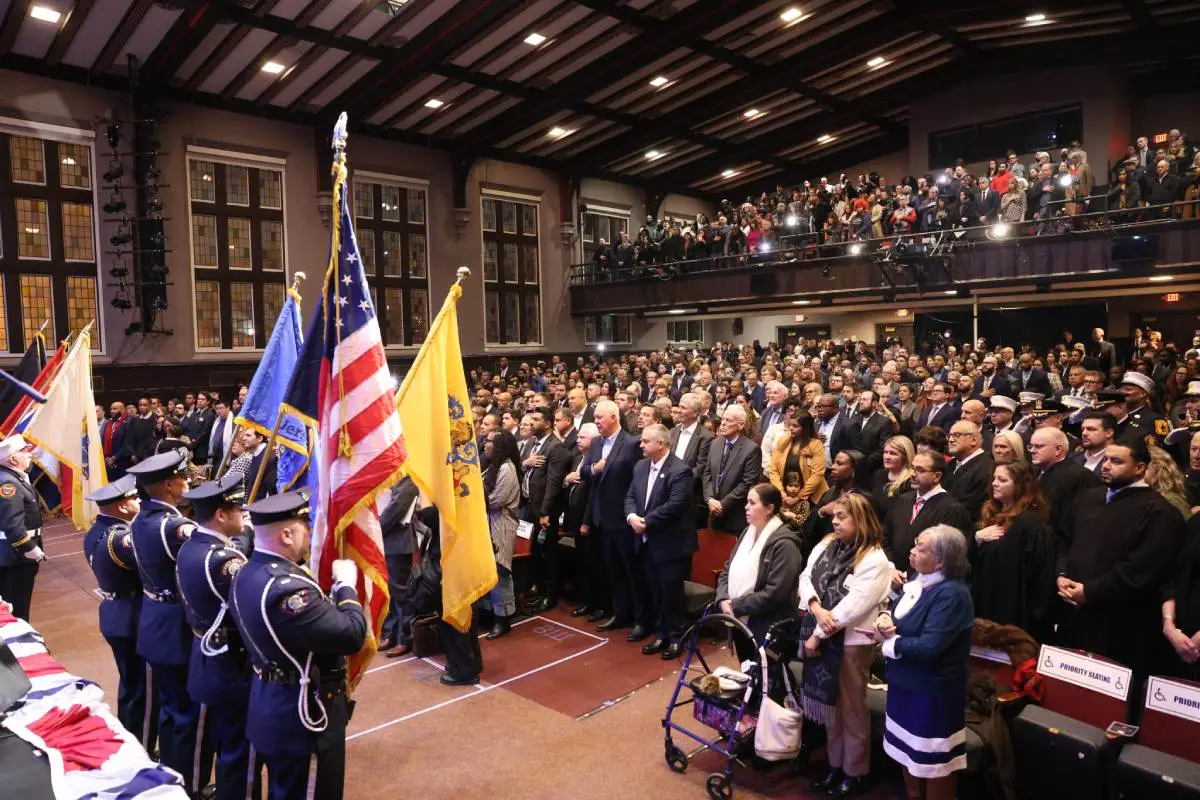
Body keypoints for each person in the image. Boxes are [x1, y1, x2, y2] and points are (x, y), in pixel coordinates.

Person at [228, 490, 366, 799]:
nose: (311, 533)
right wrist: (345, 587)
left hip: (268, 700)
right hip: (302, 717)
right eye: (305, 525)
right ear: (287, 535)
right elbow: (351, 634)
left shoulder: (246, 573)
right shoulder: (289, 593)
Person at [1057, 441, 1188, 678]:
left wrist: (1089, 591)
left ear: (1139, 468)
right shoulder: (1089, 498)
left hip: (1121, 624)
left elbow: (1141, 570)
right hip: (1074, 612)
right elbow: (1064, 540)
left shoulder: (1159, 512)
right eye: (1106, 459)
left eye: (1116, 461)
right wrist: (1061, 575)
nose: (1106, 466)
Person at [873, 525, 974, 800]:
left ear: (940, 560)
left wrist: (892, 644)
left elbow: (931, 645)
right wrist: (886, 618)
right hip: (905, 685)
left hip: (932, 693)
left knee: (933, 765)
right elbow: (901, 617)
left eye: (921, 548)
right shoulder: (921, 581)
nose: (912, 551)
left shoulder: (952, 594)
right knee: (908, 755)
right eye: (915, 545)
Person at [801, 493, 891, 798]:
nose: (836, 522)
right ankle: (835, 765)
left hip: (851, 643)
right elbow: (806, 577)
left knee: (852, 710)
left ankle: (855, 771)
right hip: (821, 630)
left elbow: (853, 606)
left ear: (861, 520)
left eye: (843, 517)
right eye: (835, 516)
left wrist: (817, 634)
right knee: (830, 708)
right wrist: (814, 606)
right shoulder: (827, 544)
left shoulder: (875, 558)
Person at [177, 475, 255, 800]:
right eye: (239, 510)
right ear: (221, 516)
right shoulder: (224, 560)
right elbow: (251, 601)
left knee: (223, 740)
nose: (244, 515)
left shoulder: (191, 546)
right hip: (231, 663)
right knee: (238, 749)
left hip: (206, 652)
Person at [127, 448, 200, 792]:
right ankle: (183, 784)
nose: (187, 481)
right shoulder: (173, 526)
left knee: (170, 709)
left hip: (154, 618)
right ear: (171, 485)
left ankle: (169, 771)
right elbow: (206, 555)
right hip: (176, 627)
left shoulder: (143, 517)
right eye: (183, 478)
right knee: (186, 713)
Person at [83, 475, 150, 745]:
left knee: (130, 684)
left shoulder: (95, 531)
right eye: (134, 498)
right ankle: (140, 746)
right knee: (141, 689)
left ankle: (131, 737)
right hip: (131, 614)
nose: (139, 501)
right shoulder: (121, 539)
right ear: (121, 507)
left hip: (114, 611)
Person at [624, 424, 696, 658]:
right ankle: (660, 634)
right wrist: (632, 516)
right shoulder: (640, 466)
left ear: (661, 444)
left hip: (671, 544)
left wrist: (646, 521)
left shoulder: (681, 470)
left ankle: (676, 637)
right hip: (645, 540)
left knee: (671, 592)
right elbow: (631, 495)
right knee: (654, 590)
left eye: (645, 441)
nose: (641, 445)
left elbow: (675, 505)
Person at [971, 463, 1056, 638]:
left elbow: (1041, 578)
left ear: (1020, 486)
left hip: (1013, 613)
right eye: (994, 478)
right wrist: (976, 539)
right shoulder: (991, 515)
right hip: (984, 604)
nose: (994, 483)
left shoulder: (1032, 526)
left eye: (1002, 480)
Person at [715, 483, 803, 645]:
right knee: (745, 667)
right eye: (747, 502)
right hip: (738, 619)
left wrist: (736, 605)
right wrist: (722, 599)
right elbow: (728, 569)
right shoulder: (747, 532)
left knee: (767, 670)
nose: (746, 507)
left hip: (768, 626)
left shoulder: (785, 544)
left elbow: (774, 592)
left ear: (769, 508)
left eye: (752, 503)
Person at [581, 400, 643, 633]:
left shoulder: (631, 443)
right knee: (613, 570)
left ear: (614, 418)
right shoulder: (596, 443)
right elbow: (586, 473)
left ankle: (639, 619)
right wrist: (594, 469)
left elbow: (636, 482)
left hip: (624, 518)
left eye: (599, 417)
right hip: (602, 519)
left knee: (631, 571)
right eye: (595, 417)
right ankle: (619, 613)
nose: (596, 421)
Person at [883, 452, 972, 586]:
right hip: (891, 577)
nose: (913, 474)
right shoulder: (903, 500)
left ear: (937, 476)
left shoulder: (951, 509)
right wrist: (890, 568)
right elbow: (885, 537)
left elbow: (946, 555)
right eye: (913, 468)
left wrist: (908, 577)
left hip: (927, 584)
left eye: (920, 470)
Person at [1029, 427, 1100, 558]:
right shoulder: (1036, 472)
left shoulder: (1079, 477)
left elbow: (1073, 525)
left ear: (1058, 449)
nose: (1032, 451)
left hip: (1056, 552)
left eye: (1038, 446)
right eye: (1031, 446)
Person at [0, 434, 46, 621]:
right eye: (24, 452)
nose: (29, 455)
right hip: (16, 556)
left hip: (11, 554)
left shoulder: (11, 478)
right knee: (17, 608)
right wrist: (29, 548)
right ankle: (19, 646)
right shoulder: (8, 483)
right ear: (13, 459)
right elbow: (13, 524)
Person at [481, 430, 521, 639]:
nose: (484, 444)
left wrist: (474, 500)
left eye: (488, 441)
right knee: (488, 571)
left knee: (500, 571)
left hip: (502, 525)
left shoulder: (507, 469)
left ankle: (503, 619)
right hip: (489, 524)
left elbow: (495, 501)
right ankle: (491, 612)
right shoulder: (492, 467)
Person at [702, 405, 763, 533]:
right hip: (713, 512)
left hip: (735, 515)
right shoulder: (715, 443)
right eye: (722, 419)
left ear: (740, 425)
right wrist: (710, 499)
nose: (722, 423)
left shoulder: (751, 449)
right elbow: (707, 473)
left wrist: (722, 505)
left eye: (728, 420)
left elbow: (747, 483)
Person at [379, 477, 420, 656]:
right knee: (391, 591)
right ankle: (390, 633)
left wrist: (375, 527)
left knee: (401, 592)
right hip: (389, 541)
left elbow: (395, 510)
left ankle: (404, 637)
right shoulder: (394, 477)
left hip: (398, 543)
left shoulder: (408, 480)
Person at [766, 410, 828, 526]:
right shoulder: (783, 442)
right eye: (790, 425)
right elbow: (773, 470)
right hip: (785, 495)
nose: (791, 429)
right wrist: (783, 494)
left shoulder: (815, 444)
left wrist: (798, 497)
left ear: (805, 428)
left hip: (810, 497)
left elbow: (817, 475)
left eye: (796, 426)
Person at [945, 421, 993, 523]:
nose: (951, 440)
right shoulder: (950, 464)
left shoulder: (986, 469)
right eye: (949, 436)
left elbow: (969, 510)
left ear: (973, 440)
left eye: (957, 435)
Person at [870, 436, 914, 525]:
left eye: (893, 453)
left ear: (905, 457)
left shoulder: (910, 481)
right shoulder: (879, 475)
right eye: (885, 452)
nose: (887, 457)